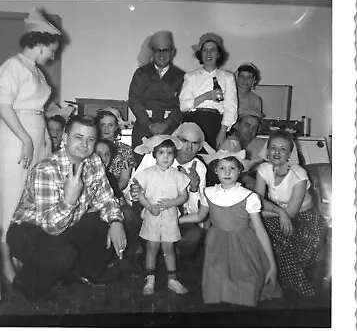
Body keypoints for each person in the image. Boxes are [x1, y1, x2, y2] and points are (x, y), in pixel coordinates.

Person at [6, 115, 127, 302]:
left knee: (113, 221)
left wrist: (116, 221)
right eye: (78, 137)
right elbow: (50, 227)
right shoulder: (46, 170)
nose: (85, 144)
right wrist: (69, 200)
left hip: (67, 223)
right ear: (65, 139)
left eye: (90, 139)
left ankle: (80, 275)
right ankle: (27, 287)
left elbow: (106, 198)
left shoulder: (94, 161)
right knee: (63, 254)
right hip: (29, 230)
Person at [0, 9, 62, 285]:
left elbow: (37, 110)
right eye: (52, 50)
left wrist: (44, 139)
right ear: (41, 44)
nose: (54, 56)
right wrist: (26, 139)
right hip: (15, 139)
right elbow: (2, 105)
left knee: (29, 202)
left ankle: (21, 257)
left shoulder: (34, 71)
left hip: (35, 138)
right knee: (11, 201)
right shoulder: (13, 66)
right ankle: (5, 262)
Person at [179, 152, 282, 307]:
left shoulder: (249, 196)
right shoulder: (209, 192)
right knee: (218, 286)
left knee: (246, 283)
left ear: (239, 171)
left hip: (244, 243)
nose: (227, 172)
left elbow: (260, 230)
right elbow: (200, 216)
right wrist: (176, 220)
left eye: (232, 168)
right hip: (217, 244)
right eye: (222, 168)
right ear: (215, 170)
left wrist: (272, 264)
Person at [255, 130, 328, 296]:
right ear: (267, 150)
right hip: (279, 214)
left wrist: (277, 213)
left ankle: (285, 283)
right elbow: (256, 202)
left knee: (276, 236)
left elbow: (291, 213)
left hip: (306, 219)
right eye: (273, 147)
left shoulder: (298, 174)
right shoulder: (263, 169)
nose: (277, 152)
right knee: (262, 229)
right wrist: (279, 212)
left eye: (282, 149)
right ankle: (286, 282)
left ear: (290, 153)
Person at [126, 122, 208, 265]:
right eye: (184, 141)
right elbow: (130, 190)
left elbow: (195, 212)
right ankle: (142, 251)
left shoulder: (199, 168)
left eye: (194, 144)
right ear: (175, 140)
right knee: (126, 214)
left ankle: (168, 259)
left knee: (194, 235)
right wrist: (135, 192)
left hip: (175, 217)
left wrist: (194, 189)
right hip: (148, 212)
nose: (188, 148)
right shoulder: (154, 157)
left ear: (200, 147)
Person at [133, 136, 190, 295]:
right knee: (151, 247)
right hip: (152, 216)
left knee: (169, 247)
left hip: (170, 217)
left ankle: (173, 280)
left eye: (170, 153)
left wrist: (170, 203)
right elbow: (140, 194)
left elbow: (183, 196)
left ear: (174, 155)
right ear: (154, 154)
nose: (166, 157)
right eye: (161, 152)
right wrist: (150, 207)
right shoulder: (147, 174)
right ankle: (150, 279)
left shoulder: (178, 175)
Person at [129, 31, 185, 166]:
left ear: (173, 52)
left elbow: (183, 104)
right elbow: (134, 100)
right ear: (152, 52)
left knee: (168, 166)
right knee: (142, 165)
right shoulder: (141, 73)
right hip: (144, 126)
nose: (161, 54)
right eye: (157, 50)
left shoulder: (181, 76)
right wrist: (149, 124)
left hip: (171, 127)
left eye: (166, 50)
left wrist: (166, 124)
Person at [179, 32, 238, 150]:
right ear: (200, 54)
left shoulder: (227, 77)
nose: (208, 54)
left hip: (215, 123)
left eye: (212, 50)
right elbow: (184, 105)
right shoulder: (191, 77)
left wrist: (223, 131)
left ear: (219, 54)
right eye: (205, 50)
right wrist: (206, 96)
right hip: (193, 122)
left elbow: (231, 107)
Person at [95, 137, 142, 268]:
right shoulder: (83, 174)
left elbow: (120, 201)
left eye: (107, 155)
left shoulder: (109, 177)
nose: (103, 158)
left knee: (128, 213)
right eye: (98, 154)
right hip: (93, 217)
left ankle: (130, 255)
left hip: (110, 215)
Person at [95, 108, 136, 190]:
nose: (106, 129)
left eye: (110, 125)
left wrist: (111, 192)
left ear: (116, 127)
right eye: (103, 124)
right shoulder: (92, 147)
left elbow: (124, 180)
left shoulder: (125, 150)